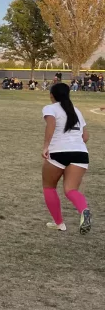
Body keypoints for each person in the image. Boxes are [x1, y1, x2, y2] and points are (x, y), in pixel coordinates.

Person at [42, 83, 92, 233]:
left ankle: (59, 224)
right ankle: (84, 210)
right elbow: (85, 136)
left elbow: (51, 125)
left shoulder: (50, 108)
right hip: (80, 153)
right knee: (71, 190)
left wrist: (46, 146)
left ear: (52, 95)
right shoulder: (76, 110)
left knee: (49, 187)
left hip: (58, 151)